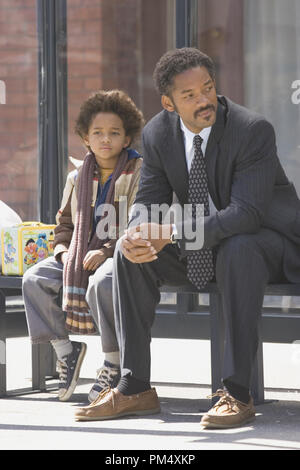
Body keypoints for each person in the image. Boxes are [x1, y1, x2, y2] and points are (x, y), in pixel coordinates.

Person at [74, 48, 300, 428]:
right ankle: (135, 387)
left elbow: (246, 215)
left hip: (268, 242)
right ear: (168, 102)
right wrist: (134, 233)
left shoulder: (251, 130)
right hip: (206, 242)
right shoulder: (158, 133)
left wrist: (173, 232)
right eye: (190, 95)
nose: (204, 100)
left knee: (238, 245)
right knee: (130, 255)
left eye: (208, 89)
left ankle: (237, 393)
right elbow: (148, 201)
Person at [23, 89, 144, 402]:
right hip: (76, 256)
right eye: (98, 133)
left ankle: (113, 364)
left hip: (121, 255)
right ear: (86, 138)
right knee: (34, 279)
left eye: (114, 133)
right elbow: (64, 223)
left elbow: (137, 223)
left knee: (101, 285)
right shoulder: (77, 176)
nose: (106, 140)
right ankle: (67, 352)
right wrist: (63, 251)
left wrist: (106, 251)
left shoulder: (137, 174)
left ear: (127, 139)